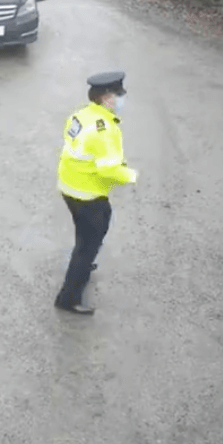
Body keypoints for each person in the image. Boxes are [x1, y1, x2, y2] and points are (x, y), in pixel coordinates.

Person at [54, 71, 139, 315]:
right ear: (106, 98)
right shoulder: (105, 130)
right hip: (87, 193)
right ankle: (68, 298)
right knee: (89, 243)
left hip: (69, 186)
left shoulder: (81, 114)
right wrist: (132, 176)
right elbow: (108, 168)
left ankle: (83, 263)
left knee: (85, 233)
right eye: (119, 94)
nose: (122, 98)